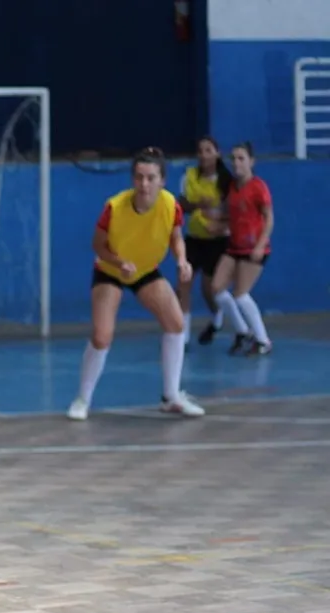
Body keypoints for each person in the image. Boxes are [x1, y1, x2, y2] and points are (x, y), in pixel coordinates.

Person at [66, 147, 205, 421]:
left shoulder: (170, 205)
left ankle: (171, 397)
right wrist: (118, 263)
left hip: (145, 270)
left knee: (176, 322)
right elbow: (97, 245)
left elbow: (176, 237)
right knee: (102, 335)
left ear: (162, 180)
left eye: (151, 178)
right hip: (111, 270)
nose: (144, 184)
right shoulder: (114, 207)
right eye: (139, 177)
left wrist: (182, 260)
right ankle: (82, 399)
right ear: (132, 179)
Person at [211, 142, 275, 356]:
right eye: (234, 158)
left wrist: (259, 245)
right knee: (217, 289)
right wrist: (218, 223)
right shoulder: (231, 187)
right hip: (234, 246)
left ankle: (263, 340)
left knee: (240, 294)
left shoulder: (259, 187)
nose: (236, 163)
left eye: (241, 158)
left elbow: (269, 219)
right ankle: (242, 330)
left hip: (254, 249)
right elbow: (234, 215)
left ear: (251, 161)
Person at [176, 136, 237, 347]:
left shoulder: (227, 181)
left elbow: (234, 213)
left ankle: (218, 319)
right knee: (183, 283)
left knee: (209, 290)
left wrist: (219, 220)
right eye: (200, 150)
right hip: (194, 239)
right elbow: (181, 204)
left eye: (208, 150)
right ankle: (182, 335)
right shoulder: (189, 176)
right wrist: (196, 205)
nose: (203, 155)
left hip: (218, 241)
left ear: (217, 153)